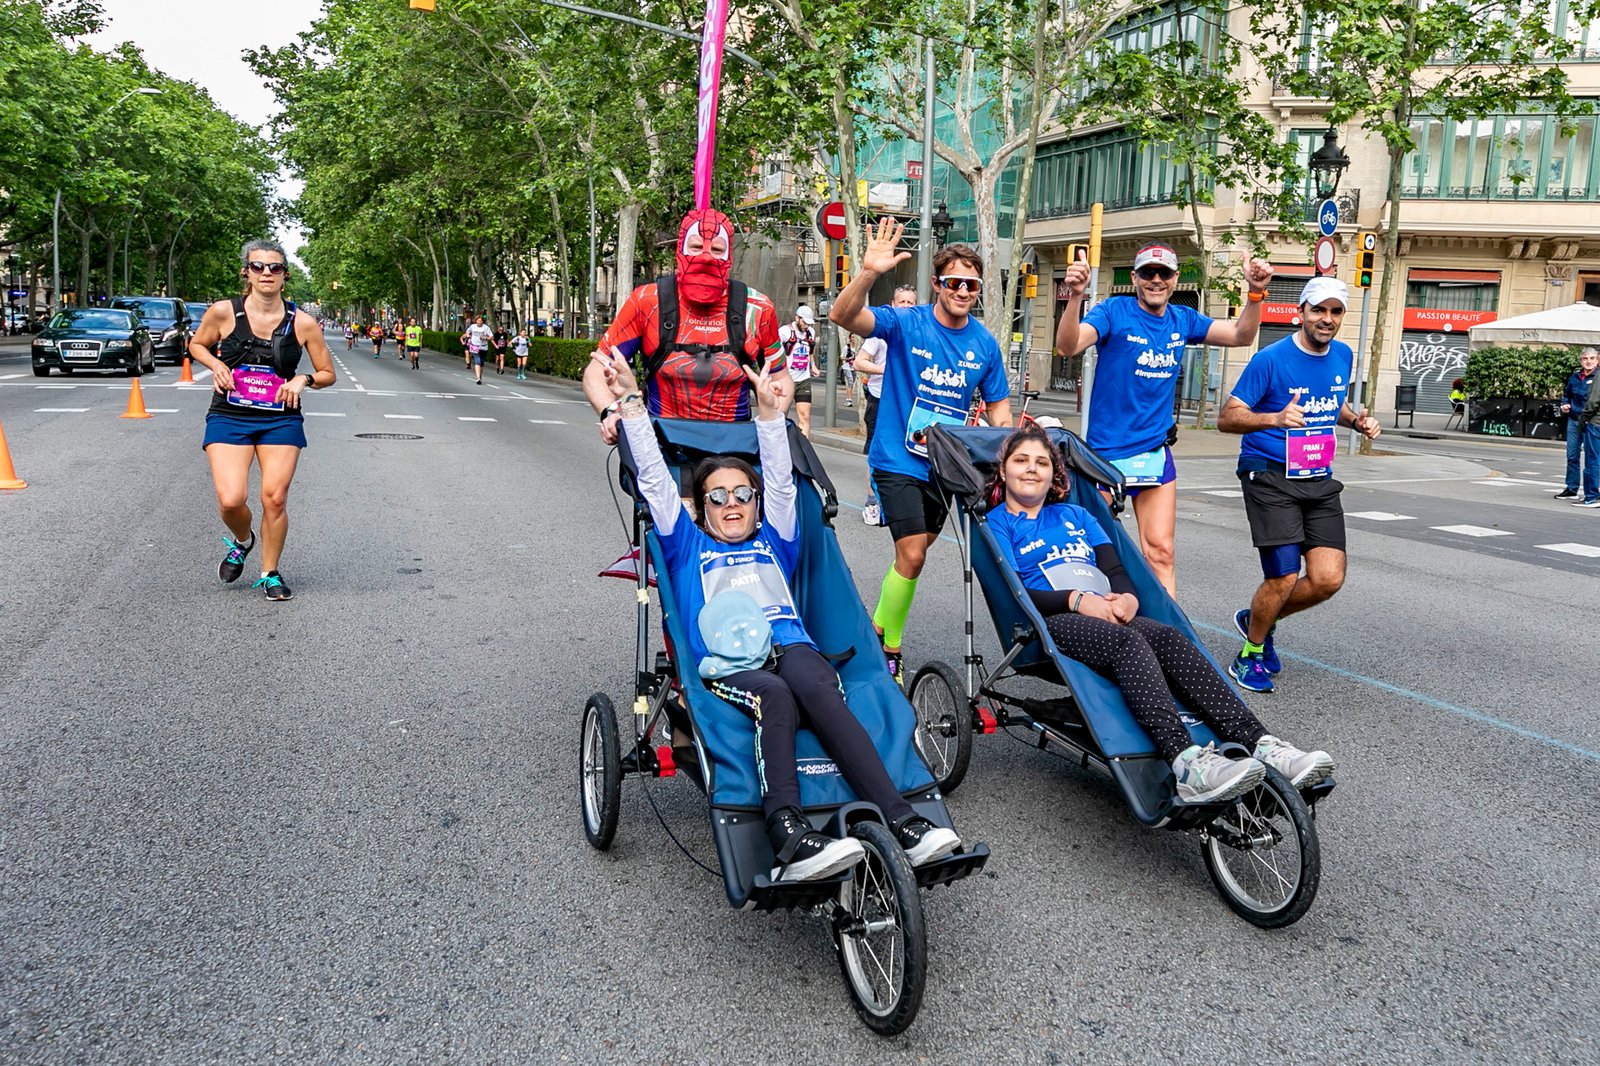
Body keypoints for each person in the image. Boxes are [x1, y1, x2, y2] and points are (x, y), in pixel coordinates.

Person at [595, 349, 962, 880]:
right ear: (699, 507)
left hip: (790, 645)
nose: (732, 503)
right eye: (717, 496)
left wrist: (770, 416)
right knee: (776, 695)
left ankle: (904, 822)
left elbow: (785, 487)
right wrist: (631, 401)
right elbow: (654, 479)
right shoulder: (687, 546)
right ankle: (788, 833)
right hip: (729, 661)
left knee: (819, 687)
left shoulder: (777, 540)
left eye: (743, 493)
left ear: (756, 502)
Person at [987, 425, 1334, 801]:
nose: (1031, 468)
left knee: (1169, 638)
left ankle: (1262, 744)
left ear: (1055, 474)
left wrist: (1128, 599)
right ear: (1003, 470)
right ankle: (1186, 761)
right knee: (1128, 642)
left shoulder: (1078, 515)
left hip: (1106, 609)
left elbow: (1115, 569)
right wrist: (1075, 600)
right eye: (1021, 460)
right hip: (1052, 620)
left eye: (1041, 462)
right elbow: (1014, 591)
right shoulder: (998, 522)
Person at [830, 218, 1012, 686]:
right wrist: (869, 273)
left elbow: (1000, 414)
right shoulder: (907, 323)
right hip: (896, 458)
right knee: (912, 554)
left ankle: (876, 625)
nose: (962, 291)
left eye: (970, 285)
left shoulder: (985, 345)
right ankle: (887, 648)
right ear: (937, 284)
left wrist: (1015, 459)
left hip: (947, 467)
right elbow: (843, 317)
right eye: (953, 282)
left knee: (915, 555)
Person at [1055, 244, 1275, 597]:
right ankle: (1097, 626)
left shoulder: (1183, 319)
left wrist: (1255, 294)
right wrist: (1075, 297)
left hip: (1152, 453)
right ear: (1134, 278)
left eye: (1164, 274)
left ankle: (1166, 635)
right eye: (1147, 273)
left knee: (1161, 552)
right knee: (1095, 552)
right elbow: (1068, 346)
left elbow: (1240, 336)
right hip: (1104, 456)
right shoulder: (1113, 311)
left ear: (1175, 280)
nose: (1155, 280)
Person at [1217, 277, 1381, 692]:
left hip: (1317, 476)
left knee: (1328, 579)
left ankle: (1257, 616)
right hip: (1269, 473)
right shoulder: (1270, 360)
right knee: (1284, 576)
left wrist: (1356, 422)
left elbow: (1333, 404)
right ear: (1301, 312)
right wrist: (1274, 418)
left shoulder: (1342, 355)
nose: (1326, 319)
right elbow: (1227, 417)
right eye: (1318, 310)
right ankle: (1251, 652)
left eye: (1335, 311)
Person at [188, 239, 336, 603]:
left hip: (280, 420)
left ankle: (270, 572)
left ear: (286, 275)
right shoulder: (223, 313)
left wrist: (304, 380)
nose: (266, 273)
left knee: (274, 498)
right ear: (247, 272)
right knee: (230, 499)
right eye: (258, 266)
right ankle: (243, 540)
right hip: (229, 415)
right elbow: (196, 345)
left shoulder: (303, 323)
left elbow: (327, 372)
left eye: (274, 267)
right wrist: (218, 365)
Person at [583, 207, 783, 445]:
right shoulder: (646, 301)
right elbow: (595, 371)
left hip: (735, 449)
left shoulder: (758, 308)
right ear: (681, 249)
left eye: (717, 249)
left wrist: (773, 414)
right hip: (659, 445)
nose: (706, 257)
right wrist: (610, 413)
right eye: (696, 247)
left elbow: (781, 376)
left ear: (728, 256)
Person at [854, 285, 917, 526]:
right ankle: (872, 502)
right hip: (881, 400)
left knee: (907, 453)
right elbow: (860, 362)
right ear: (893, 304)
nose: (906, 307)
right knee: (877, 453)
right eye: (902, 302)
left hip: (909, 403)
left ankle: (897, 503)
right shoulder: (881, 334)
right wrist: (889, 370)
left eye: (911, 303)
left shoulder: (919, 333)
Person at [1557, 348, 1599, 506]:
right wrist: (1564, 404)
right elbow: (1567, 394)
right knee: (1572, 455)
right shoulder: (1575, 376)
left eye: (1592, 358)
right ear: (1580, 360)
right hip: (1574, 420)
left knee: (1592, 459)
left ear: (1597, 360)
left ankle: (1593, 492)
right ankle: (1572, 487)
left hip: (1590, 421)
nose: (1588, 361)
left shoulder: (1598, 376)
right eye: (1585, 358)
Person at [778, 305, 819, 437]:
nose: (806, 326)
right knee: (780, 417)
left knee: (805, 417)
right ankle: (779, 448)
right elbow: (774, 352)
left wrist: (813, 365)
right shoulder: (784, 332)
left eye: (809, 323)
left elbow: (810, 351)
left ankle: (805, 451)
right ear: (797, 318)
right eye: (804, 322)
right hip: (786, 380)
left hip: (803, 379)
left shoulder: (811, 332)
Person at [460, 315, 491, 385]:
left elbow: (491, 337)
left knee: (482, 363)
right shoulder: (472, 326)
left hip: (483, 347)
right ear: (476, 321)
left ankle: (480, 376)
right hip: (474, 346)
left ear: (483, 321)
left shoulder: (486, 328)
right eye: (478, 321)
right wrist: (468, 335)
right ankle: (478, 378)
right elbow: (468, 331)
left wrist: (486, 338)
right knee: (478, 361)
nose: (479, 322)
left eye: (481, 321)